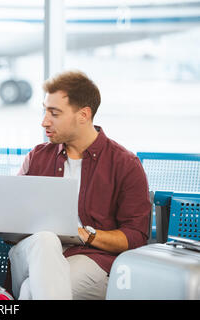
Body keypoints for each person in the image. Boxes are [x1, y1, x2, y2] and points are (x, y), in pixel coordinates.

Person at [9, 70, 151, 300]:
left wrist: (87, 235)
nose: (44, 121)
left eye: (54, 113)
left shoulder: (125, 164)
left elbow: (135, 236)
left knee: (29, 290)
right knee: (46, 239)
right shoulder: (37, 157)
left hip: (89, 257)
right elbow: (12, 223)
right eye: (45, 111)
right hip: (33, 252)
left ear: (83, 115)